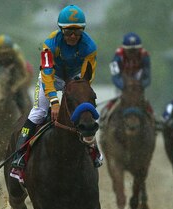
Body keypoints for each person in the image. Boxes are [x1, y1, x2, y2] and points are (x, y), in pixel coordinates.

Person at [10, 5, 103, 182]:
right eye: (68, 32)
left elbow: (86, 78)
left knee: (85, 112)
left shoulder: (90, 46)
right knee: (38, 112)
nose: (73, 36)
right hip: (52, 76)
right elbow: (47, 74)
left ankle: (94, 151)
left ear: (83, 30)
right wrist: (54, 101)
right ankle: (19, 157)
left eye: (77, 31)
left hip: (75, 78)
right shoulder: (50, 43)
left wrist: (79, 95)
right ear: (61, 30)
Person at [100, 32, 153, 125]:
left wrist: (140, 85)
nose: (132, 54)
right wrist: (124, 86)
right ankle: (105, 118)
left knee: (147, 105)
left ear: (139, 49)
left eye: (135, 51)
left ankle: (154, 121)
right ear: (124, 49)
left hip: (138, 86)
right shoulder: (117, 56)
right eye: (130, 51)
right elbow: (115, 75)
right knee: (114, 103)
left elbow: (147, 76)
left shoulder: (145, 56)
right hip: (123, 85)